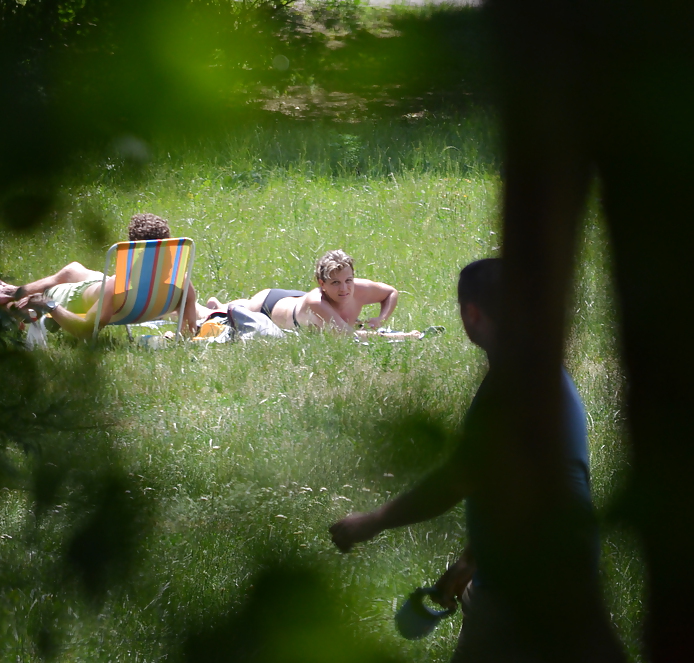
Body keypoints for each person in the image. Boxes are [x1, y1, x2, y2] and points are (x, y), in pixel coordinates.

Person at [328, 258, 596, 662]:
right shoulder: (532, 370)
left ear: (471, 313)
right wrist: (469, 564)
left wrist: (371, 522)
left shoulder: (513, 385)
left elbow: (460, 478)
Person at [0, 213, 204, 340]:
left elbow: (86, 331)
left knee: (55, 285)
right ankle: (10, 291)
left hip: (77, 296)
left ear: (134, 249)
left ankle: (9, 306)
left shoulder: (115, 288)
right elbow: (188, 329)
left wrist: (48, 304)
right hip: (104, 287)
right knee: (72, 270)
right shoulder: (183, 282)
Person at [205, 249, 398, 333]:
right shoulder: (317, 302)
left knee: (240, 305)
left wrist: (381, 319)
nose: (345, 288)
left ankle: (222, 305)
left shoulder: (359, 288)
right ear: (322, 284)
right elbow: (348, 335)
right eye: (335, 283)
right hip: (269, 306)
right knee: (231, 313)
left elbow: (391, 293)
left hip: (295, 299)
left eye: (348, 281)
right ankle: (217, 307)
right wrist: (402, 336)